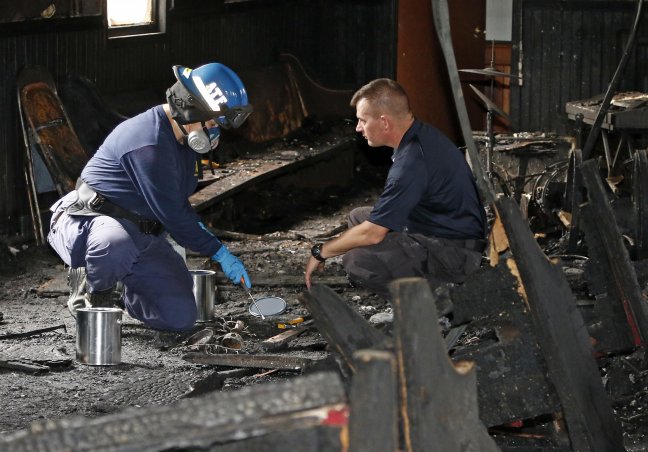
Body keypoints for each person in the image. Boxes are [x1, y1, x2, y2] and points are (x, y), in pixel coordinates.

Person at [48, 62, 254, 331]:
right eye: (214, 122)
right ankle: (92, 289)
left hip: (142, 234)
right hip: (90, 221)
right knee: (114, 243)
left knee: (180, 317)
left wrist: (200, 235)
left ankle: (124, 291)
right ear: (192, 108)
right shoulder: (149, 144)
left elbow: (177, 206)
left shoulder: (183, 140)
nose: (215, 132)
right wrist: (219, 252)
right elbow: (173, 214)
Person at [304, 78, 487, 300]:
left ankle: (450, 301)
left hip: (457, 251)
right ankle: (411, 283)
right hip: (438, 228)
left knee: (358, 260)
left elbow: (372, 234)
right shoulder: (420, 135)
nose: (358, 128)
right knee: (358, 217)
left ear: (384, 122)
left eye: (362, 120)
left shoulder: (412, 161)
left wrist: (321, 251)